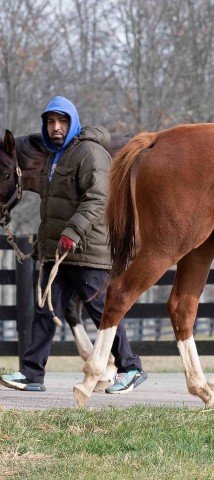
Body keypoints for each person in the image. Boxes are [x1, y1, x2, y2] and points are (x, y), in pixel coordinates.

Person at [0, 96, 147, 393]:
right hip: (59, 253)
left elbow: (97, 199)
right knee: (45, 310)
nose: (56, 128)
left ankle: (131, 368)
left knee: (103, 311)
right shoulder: (54, 158)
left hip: (87, 251)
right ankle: (32, 374)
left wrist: (73, 233)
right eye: (51, 122)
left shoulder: (90, 153)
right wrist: (43, 246)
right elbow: (52, 209)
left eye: (62, 122)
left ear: (72, 122)